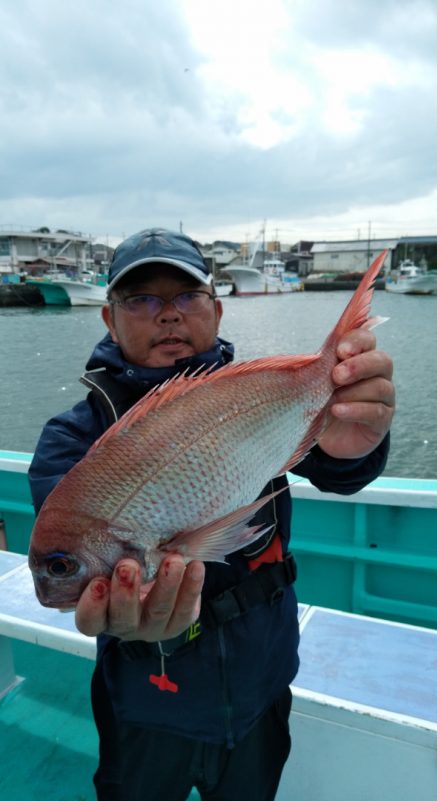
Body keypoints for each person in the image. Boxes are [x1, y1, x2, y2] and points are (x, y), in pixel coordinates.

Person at [28, 228, 395, 801]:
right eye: (142, 299)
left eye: (186, 296)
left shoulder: (254, 395)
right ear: (109, 318)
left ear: (217, 310)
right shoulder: (72, 439)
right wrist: (126, 615)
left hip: (262, 681)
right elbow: (74, 562)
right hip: (145, 703)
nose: (168, 316)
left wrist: (357, 442)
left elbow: (339, 472)